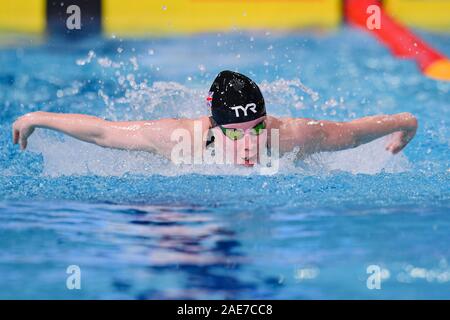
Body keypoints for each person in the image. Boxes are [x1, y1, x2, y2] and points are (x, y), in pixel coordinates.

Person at [12, 70, 418, 167]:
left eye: (258, 127)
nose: (251, 143)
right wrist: (37, 116)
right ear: (213, 125)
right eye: (236, 133)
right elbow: (103, 132)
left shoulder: (291, 136)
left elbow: (350, 134)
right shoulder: (175, 137)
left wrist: (407, 121)